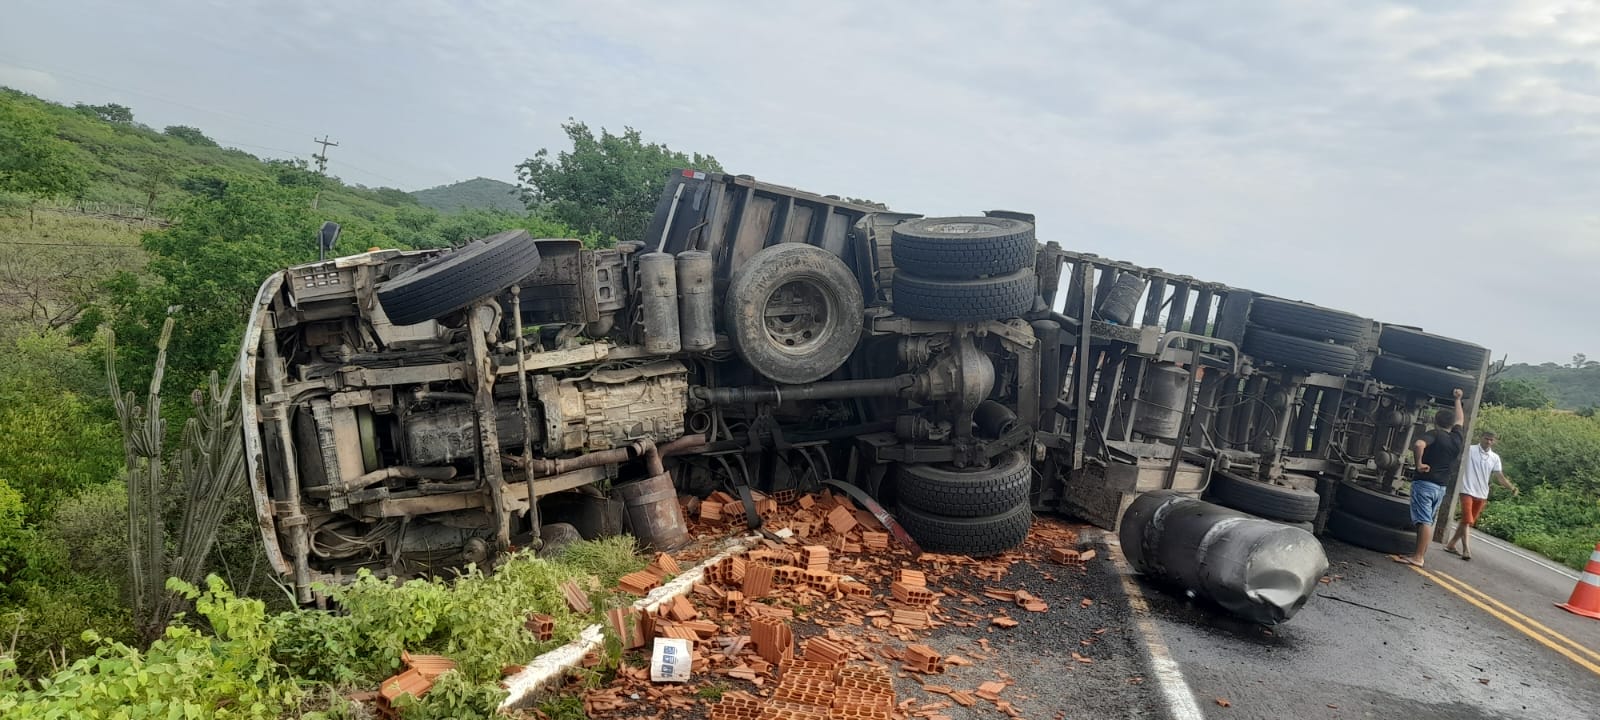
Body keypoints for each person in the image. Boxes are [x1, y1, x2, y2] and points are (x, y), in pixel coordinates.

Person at [1393, 388, 1464, 567]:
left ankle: (1418, 557)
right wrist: (1458, 399)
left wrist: (1418, 464)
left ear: (1434, 420)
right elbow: (1461, 419)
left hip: (1425, 483)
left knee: (1423, 520)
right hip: (1441, 487)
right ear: (1452, 424)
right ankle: (1420, 553)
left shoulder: (1434, 434)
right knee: (1428, 520)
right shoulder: (1456, 438)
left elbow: (1418, 444)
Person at [1444, 430, 1518, 560]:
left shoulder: (1495, 458)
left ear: (1494, 441)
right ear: (1481, 438)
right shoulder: (1470, 450)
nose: (1488, 441)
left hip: (1482, 493)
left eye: (1491, 440)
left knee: (1466, 522)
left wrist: (1511, 488)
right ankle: (1466, 550)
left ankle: (1451, 544)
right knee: (1467, 520)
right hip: (1466, 489)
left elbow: (1499, 477)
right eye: (1486, 438)